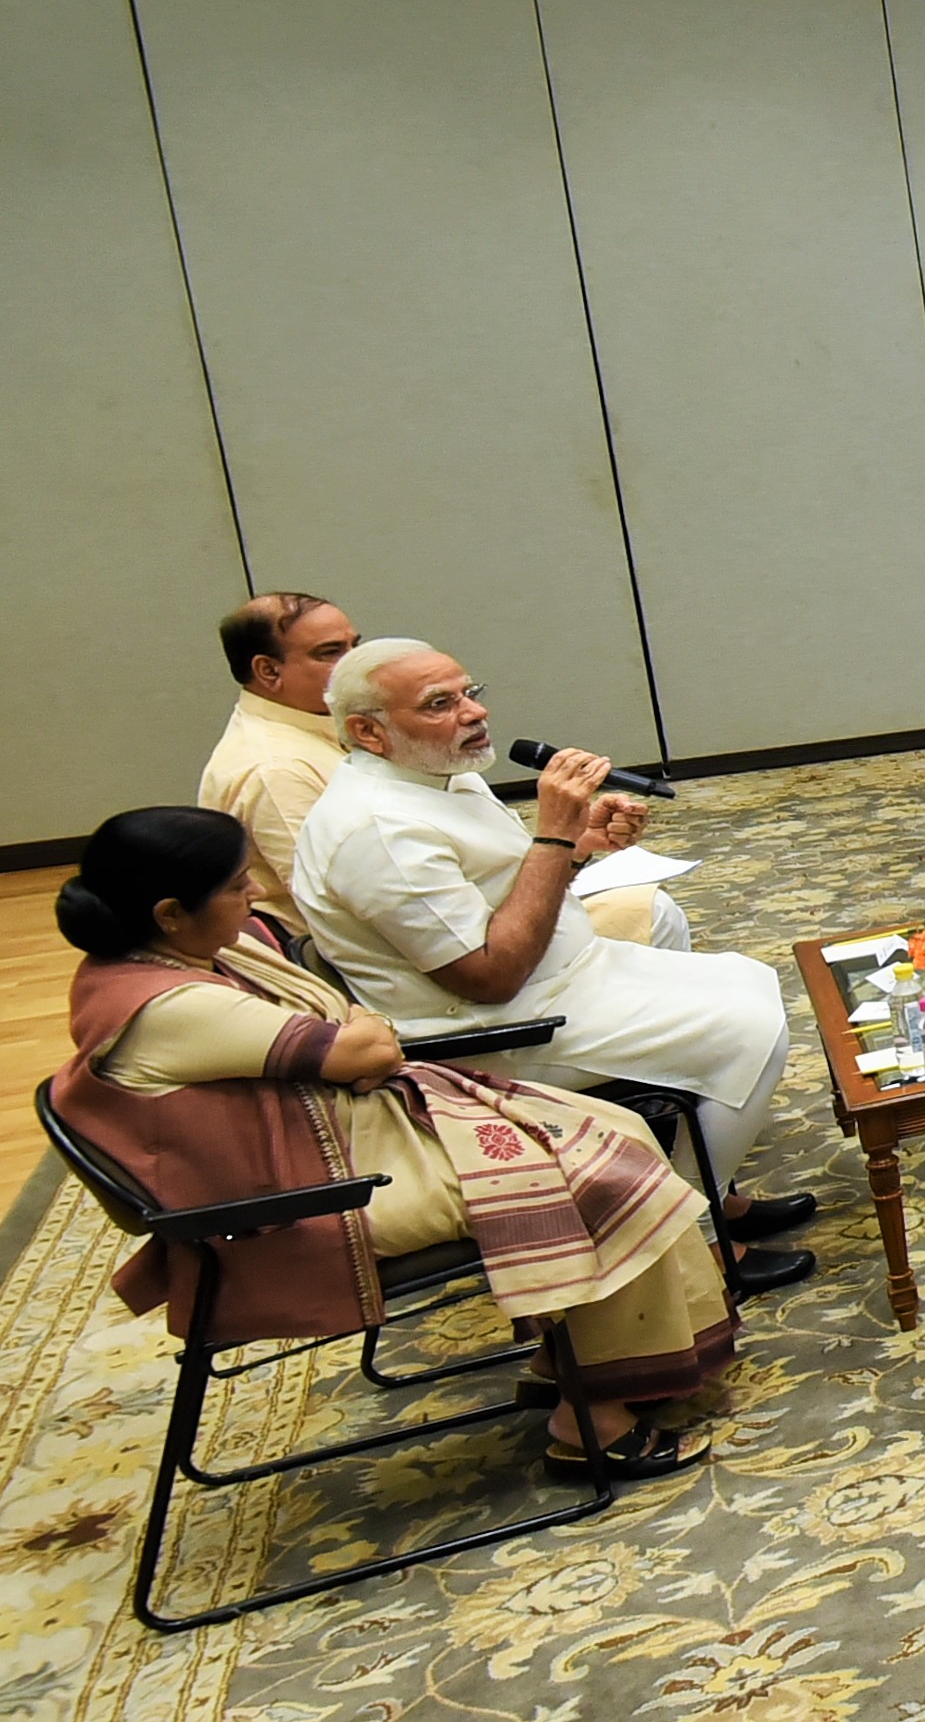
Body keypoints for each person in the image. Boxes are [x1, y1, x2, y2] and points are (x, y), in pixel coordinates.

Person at [59, 807, 742, 1477]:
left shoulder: (182, 957)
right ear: (170, 914)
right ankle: (592, 1419)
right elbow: (363, 1045)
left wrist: (363, 1040)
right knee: (595, 1174)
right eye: (237, 885)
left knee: (611, 1129)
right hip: (309, 1201)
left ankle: (570, 1362)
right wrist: (362, 1039)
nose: (255, 894)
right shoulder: (168, 1008)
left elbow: (361, 1037)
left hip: (342, 1140)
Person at [289, 642, 809, 1272]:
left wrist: (576, 847)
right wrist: (554, 833)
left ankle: (714, 1198)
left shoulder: (434, 774)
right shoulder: (375, 829)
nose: (472, 714)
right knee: (747, 1032)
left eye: (468, 693)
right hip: (486, 1032)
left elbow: (504, 891)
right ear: (368, 731)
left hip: (558, 979)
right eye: (439, 704)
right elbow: (488, 977)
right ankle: (695, 1249)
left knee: (747, 979)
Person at [201, 591, 361, 940]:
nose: (357, 664)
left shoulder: (319, 721)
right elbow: (336, 904)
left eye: (355, 646)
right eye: (331, 652)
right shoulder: (275, 770)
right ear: (269, 670)